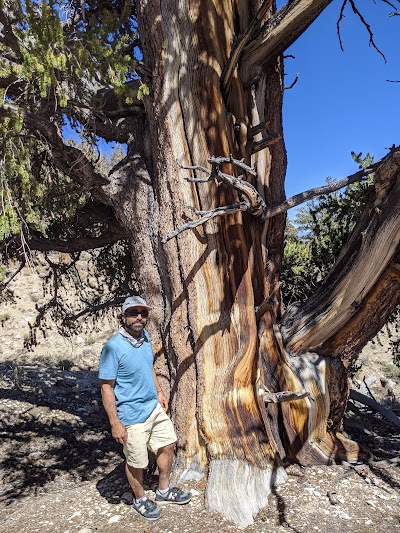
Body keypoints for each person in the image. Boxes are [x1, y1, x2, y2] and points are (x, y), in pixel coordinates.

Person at [99, 295, 191, 521]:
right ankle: (140, 499)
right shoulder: (112, 347)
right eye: (133, 313)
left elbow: (148, 366)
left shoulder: (145, 337)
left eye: (143, 313)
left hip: (152, 407)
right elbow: (106, 388)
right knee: (136, 461)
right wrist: (115, 423)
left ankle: (163, 490)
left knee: (167, 444)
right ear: (123, 317)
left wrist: (158, 391)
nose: (139, 317)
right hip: (131, 415)